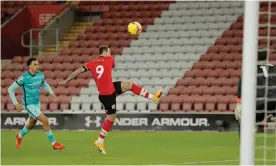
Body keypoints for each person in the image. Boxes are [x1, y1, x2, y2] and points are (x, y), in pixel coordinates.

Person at [59, 45, 162, 155]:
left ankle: (153, 98)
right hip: (107, 95)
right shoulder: (109, 59)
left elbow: (77, 71)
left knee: (129, 85)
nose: (111, 54)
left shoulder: (92, 63)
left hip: (109, 90)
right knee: (111, 118)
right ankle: (100, 141)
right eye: (110, 52)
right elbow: (111, 65)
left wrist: (66, 80)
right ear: (105, 52)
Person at [8, 57, 65, 150]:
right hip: (28, 105)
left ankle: (19, 135)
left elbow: (44, 84)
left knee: (32, 123)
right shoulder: (24, 77)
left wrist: (51, 92)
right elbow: (10, 89)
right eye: (35, 64)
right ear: (29, 66)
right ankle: (54, 143)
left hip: (36, 103)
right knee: (45, 120)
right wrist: (15, 103)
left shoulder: (40, 75)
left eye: (38, 64)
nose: (37, 66)